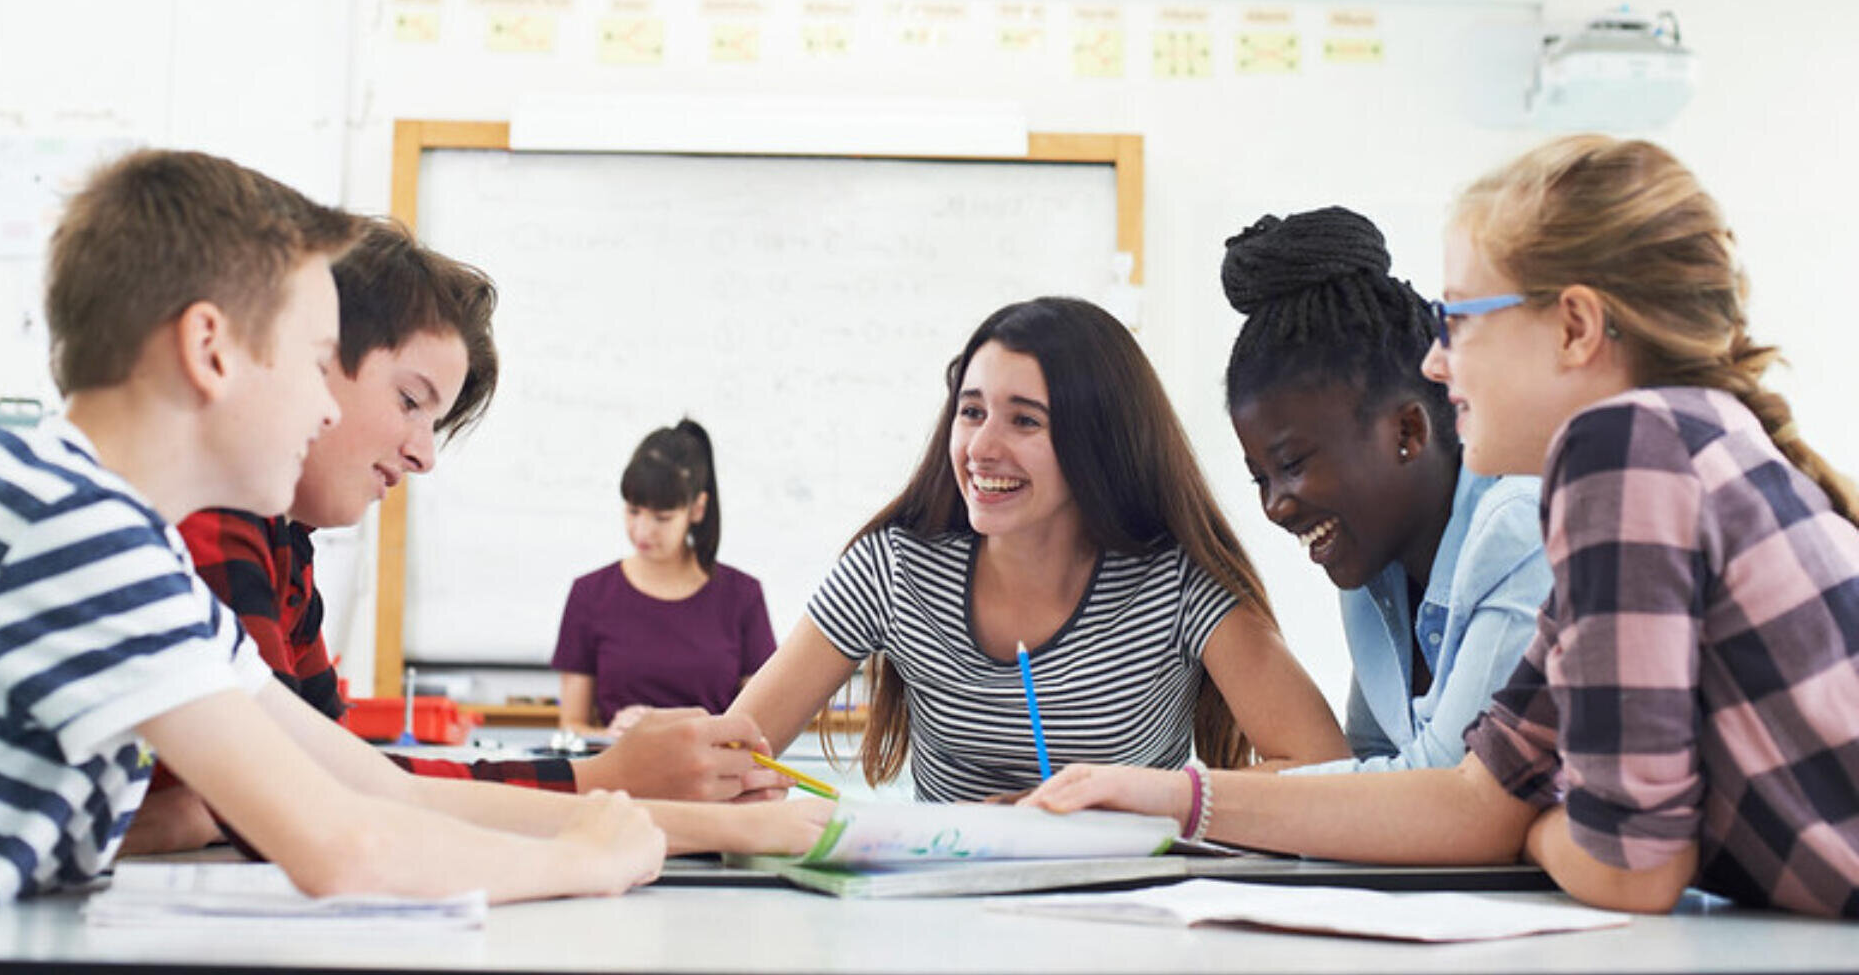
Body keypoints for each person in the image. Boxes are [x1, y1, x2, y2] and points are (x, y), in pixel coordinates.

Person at [1024, 136, 1859, 918]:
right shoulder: (1670, 451)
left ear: (1574, 327)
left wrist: (1534, 831)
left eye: (1458, 320)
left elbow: (1630, 866)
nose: (1434, 362)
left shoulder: (1623, 451)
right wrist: (1174, 796)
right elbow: (1475, 794)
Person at [0, 150, 666, 908]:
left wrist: (611, 823)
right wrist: (587, 862)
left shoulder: (121, 536)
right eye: (314, 362)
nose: (324, 407)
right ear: (210, 349)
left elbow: (379, 792)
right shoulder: (70, 524)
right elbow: (345, 852)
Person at [122, 220, 809, 859]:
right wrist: (627, 795)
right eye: (409, 401)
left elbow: (351, 779)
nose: (424, 455)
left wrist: (614, 785)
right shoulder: (209, 512)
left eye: (435, 421)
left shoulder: (281, 542)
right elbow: (322, 799)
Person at [729, 296, 1347, 802]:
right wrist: (739, 784)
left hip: (1126, 924)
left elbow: (1323, 771)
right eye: (971, 413)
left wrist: (1132, 800)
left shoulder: (1176, 582)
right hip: (946, 921)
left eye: (1025, 421)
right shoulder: (893, 569)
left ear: (1099, 441)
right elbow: (732, 755)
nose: (981, 448)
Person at [1221, 206, 1549, 772]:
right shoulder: (1370, 575)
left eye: (1292, 463)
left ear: (1408, 431)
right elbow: (1373, 759)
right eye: (1260, 477)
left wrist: (1193, 799)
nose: (1275, 505)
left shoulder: (1522, 526)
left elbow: (1443, 786)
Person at [553, 420, 776, 739]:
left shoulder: (742, 596)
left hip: (716, 780)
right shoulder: (589, 594)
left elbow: (762, 727)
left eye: (662, 518)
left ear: (697, 509)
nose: (643, 531)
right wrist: (612, 736)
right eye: (633, 511)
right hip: (619, 781)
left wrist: (694, 732)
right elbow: (571, 726)